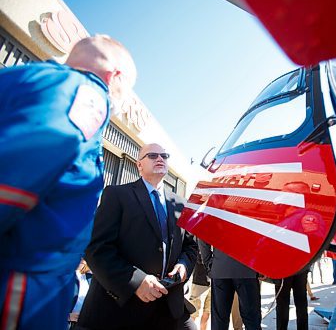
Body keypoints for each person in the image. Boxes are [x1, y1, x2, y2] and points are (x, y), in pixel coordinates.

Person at [0, 35, 136, 330]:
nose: (123, 106)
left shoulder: (25, 79)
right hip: (20, 291)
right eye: (128, 92)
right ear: (116, 77)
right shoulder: (88, 96)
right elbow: (11, 184)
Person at [76, 143, 198, 329]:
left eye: (164, 156)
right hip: (122, 307)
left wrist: (183, 265)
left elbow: (191, 247)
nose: (160, 158)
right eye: (152, 155)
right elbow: (96, 248)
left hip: (169, 306)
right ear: (139, 165)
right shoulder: (117, 195)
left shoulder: (181, 204)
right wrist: (135, 281)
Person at [199, 241, 262, 330]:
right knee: (252, 320)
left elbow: (203, 237)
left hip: (221, 267)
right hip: (246, 269)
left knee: (219, 321)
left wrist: (208, 264)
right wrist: (261, 265)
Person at [68, 259, 92, 329]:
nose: (83, 261)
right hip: (69, 324)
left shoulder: (91, 277)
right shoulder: (64, 277)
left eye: (84, 258)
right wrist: (68, 317)